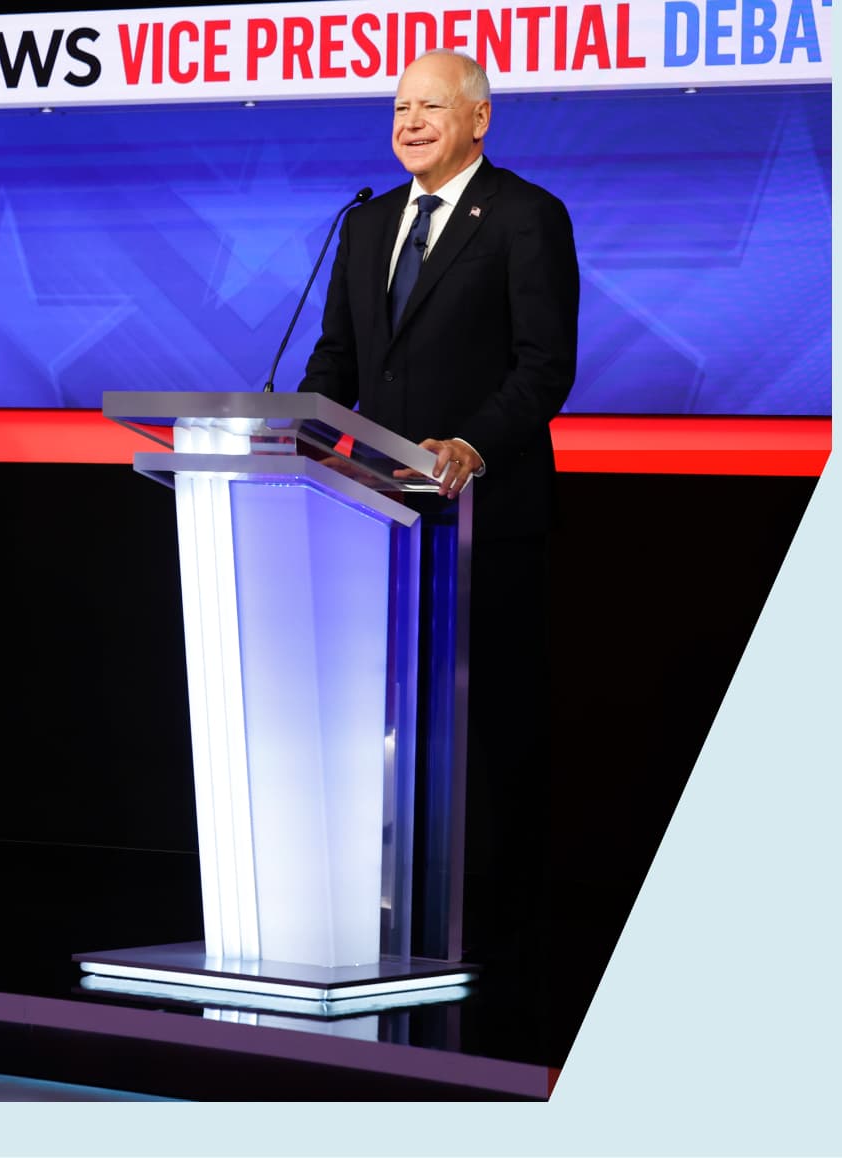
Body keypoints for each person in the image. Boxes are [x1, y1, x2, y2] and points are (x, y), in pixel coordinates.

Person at [296, 49, 578, 1017]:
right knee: (394, 732)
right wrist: (290, 434)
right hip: (376, 524)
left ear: (479, 119)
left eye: (430, 106)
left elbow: (545, 369)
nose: (410, 122)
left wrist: (470, 443)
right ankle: (398, 922)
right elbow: (337, 360)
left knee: (496, 732)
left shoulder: (528, 217)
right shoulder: (368, 221)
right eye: (400, 107)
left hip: (488, 522)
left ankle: (517, 941)